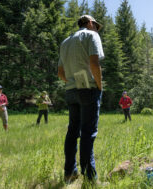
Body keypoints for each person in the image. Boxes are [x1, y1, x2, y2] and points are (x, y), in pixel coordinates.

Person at [58, 15, 104, 183]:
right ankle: (90, 179)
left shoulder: (65, 42)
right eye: (95, 26)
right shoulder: (92, 35)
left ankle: (70, 173)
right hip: (88, 89)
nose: (96, 29)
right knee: (88, 133)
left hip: (71, 91)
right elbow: (94, 62)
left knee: (72, 132)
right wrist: (99, 86)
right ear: (90, 23)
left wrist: (71, 82)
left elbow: (60, 73)